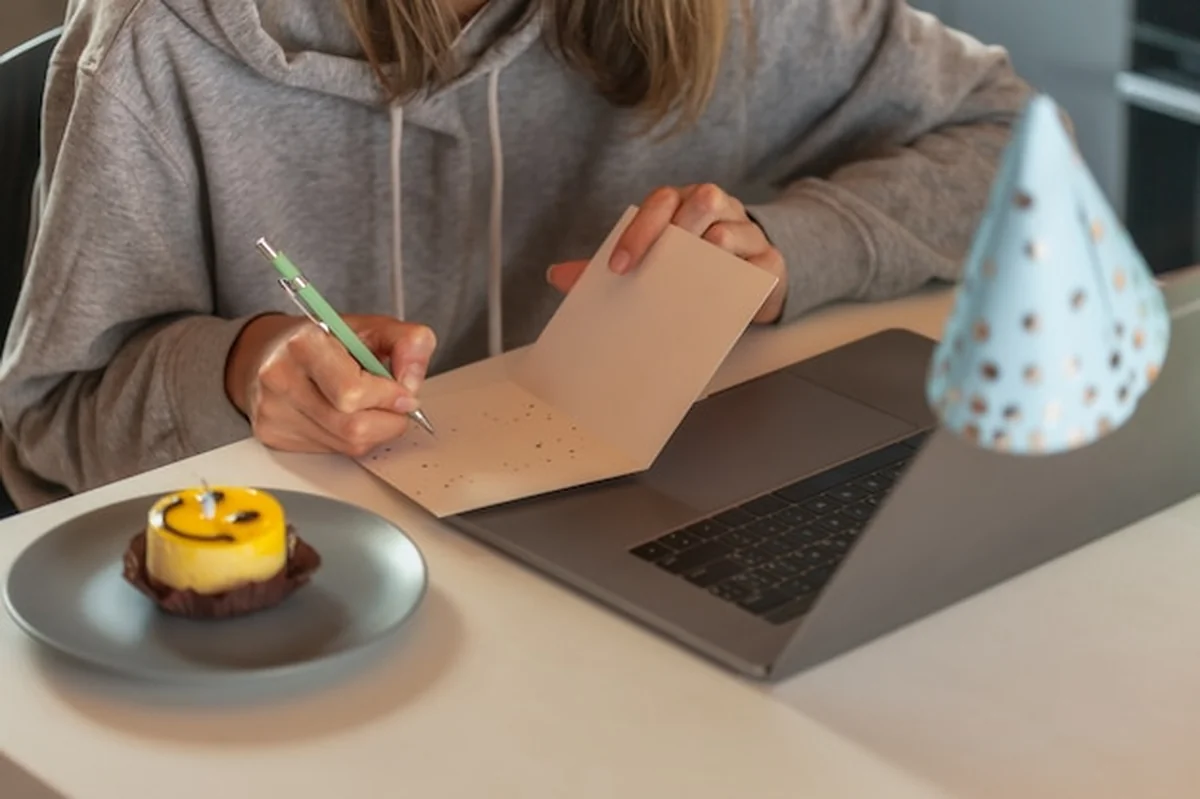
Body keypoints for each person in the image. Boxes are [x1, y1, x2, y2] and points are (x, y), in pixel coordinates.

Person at [0, 0, 1031, 509]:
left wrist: (786, 247)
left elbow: (1013, 140)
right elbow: (53, 424)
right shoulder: (158, 44)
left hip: (631, 552)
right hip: (307, 628)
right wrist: (245, 368)